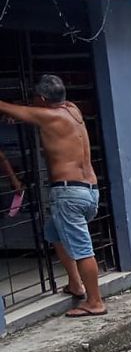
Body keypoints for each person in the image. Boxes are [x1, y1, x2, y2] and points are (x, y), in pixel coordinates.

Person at [0, 75, 106, 317]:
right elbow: (23, 111)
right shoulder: (72, 110)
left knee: (82, 248)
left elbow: (7, 108)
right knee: (54, 232)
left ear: (44, 99)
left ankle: (95, 302)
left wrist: (15, 110)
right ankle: (75, 284)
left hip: (69, 193)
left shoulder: (48, 116)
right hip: (88, 191)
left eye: (36, 98)